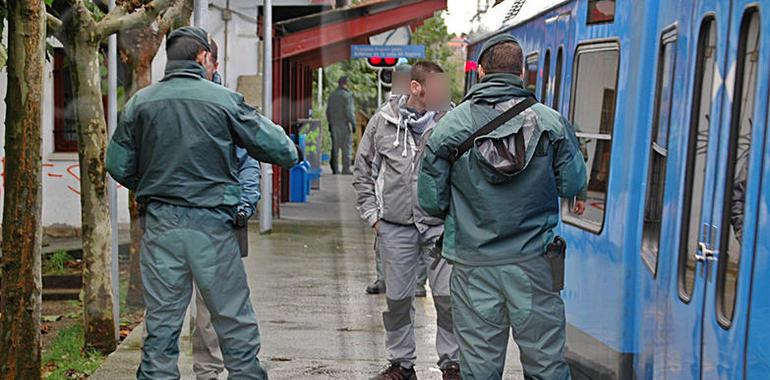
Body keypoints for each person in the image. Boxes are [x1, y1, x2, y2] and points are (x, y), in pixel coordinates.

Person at [106, 26, 299, 379]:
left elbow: (116, 164)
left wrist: (150, 185)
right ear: (202, 57)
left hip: (161, 228)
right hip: (212, 229)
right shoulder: (223, 100)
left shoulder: (140, 102)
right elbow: (282, 151)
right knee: (233, 326)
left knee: (161, 328)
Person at [418, 34, 587, 380]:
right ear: (521, 73)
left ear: (480, 72)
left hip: (473, 265)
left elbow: (430, 202)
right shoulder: (551, 123)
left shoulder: (449, 126)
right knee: (546, 364)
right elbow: (573, 184)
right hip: (533, 264)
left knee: (479, 368)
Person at [354, 61, 461, 380]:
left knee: (448, 298)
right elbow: (363, 172)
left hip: (440, 227)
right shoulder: (382, 122)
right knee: (398, 301)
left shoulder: (454, 123)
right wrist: (375, 219)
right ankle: (401, 365)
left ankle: (452, 363)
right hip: (395, 228)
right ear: (416, 88)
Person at [189, 38, 262, 380]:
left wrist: (244, 204)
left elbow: (247, 162)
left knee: (212, 305)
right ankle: (206, 370)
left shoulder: (230, 106)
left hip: (219, 220)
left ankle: (212, 371)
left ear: (212, 64)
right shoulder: (169, 102)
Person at [365, 63, 429, 297]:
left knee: (420, 243)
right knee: (384, 243)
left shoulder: (436, 115)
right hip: (391, 204)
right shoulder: (383, 116)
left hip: (422, 202)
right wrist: (373, 213)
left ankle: (418, 284)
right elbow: (366, 166)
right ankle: (385, 279)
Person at [326, 76, 357, 175]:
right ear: (346, 83)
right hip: (344, 125)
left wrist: (330, 123)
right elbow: (349, 112)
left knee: (335, 148)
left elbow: (328, 112)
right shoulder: (347, 96)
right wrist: (353, 124)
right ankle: (346, 169)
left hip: (334, 125)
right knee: (346, 148)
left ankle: (335, 169)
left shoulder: (332, 95)